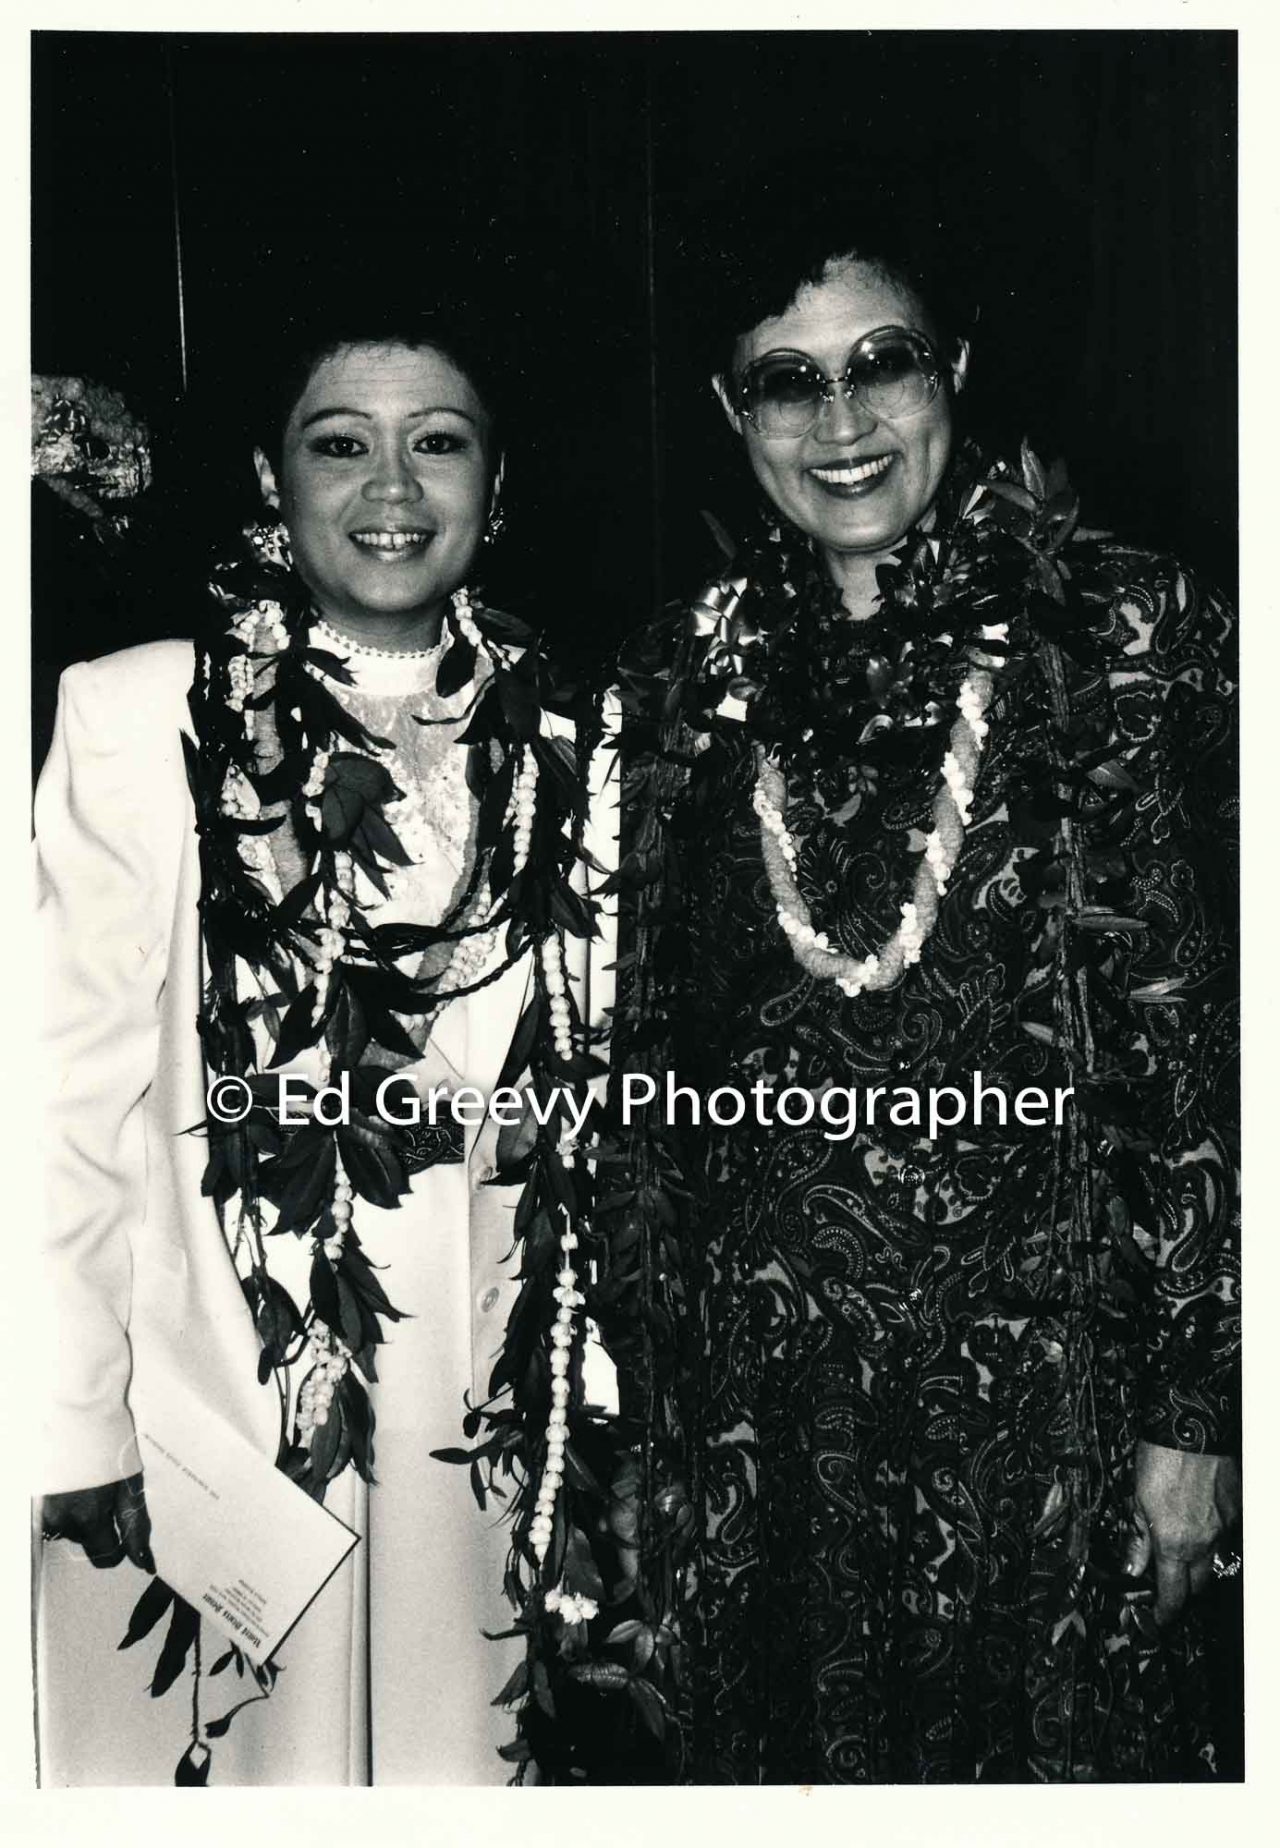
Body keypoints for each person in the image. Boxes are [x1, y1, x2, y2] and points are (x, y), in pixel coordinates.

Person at [595, 166, 1240, 1782]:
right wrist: (640, 1433)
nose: (841, 422)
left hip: (1050, 1405)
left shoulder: (1129, 641)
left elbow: (1208, 1058)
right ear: (730, 410)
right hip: (771, 1423)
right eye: (787, 381)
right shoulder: (681, 671)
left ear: (955, 370)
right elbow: (646, 1064)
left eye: (882, 362)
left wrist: (1196, 1421)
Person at [34, 299, 618, 1785]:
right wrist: (66, 1419)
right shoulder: (138, 716)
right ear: (265, 476)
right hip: (215, 1403)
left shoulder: (578, 742)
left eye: (440, 445)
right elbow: (58, 1102)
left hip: (480, 1408)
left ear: (500, 485)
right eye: (338, 445)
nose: (392, 493)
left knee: (452, 1753)